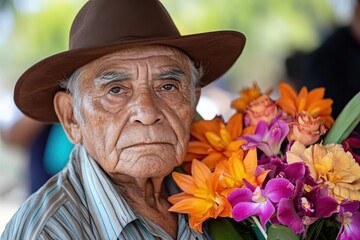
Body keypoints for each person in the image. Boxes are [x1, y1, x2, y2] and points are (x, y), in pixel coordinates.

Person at [1, 0, 245, 239]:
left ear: (193, 102)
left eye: (168, 86)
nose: (147, 113)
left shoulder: (229, 189)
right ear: (71, 117)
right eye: (115, 90)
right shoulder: (48, 232)